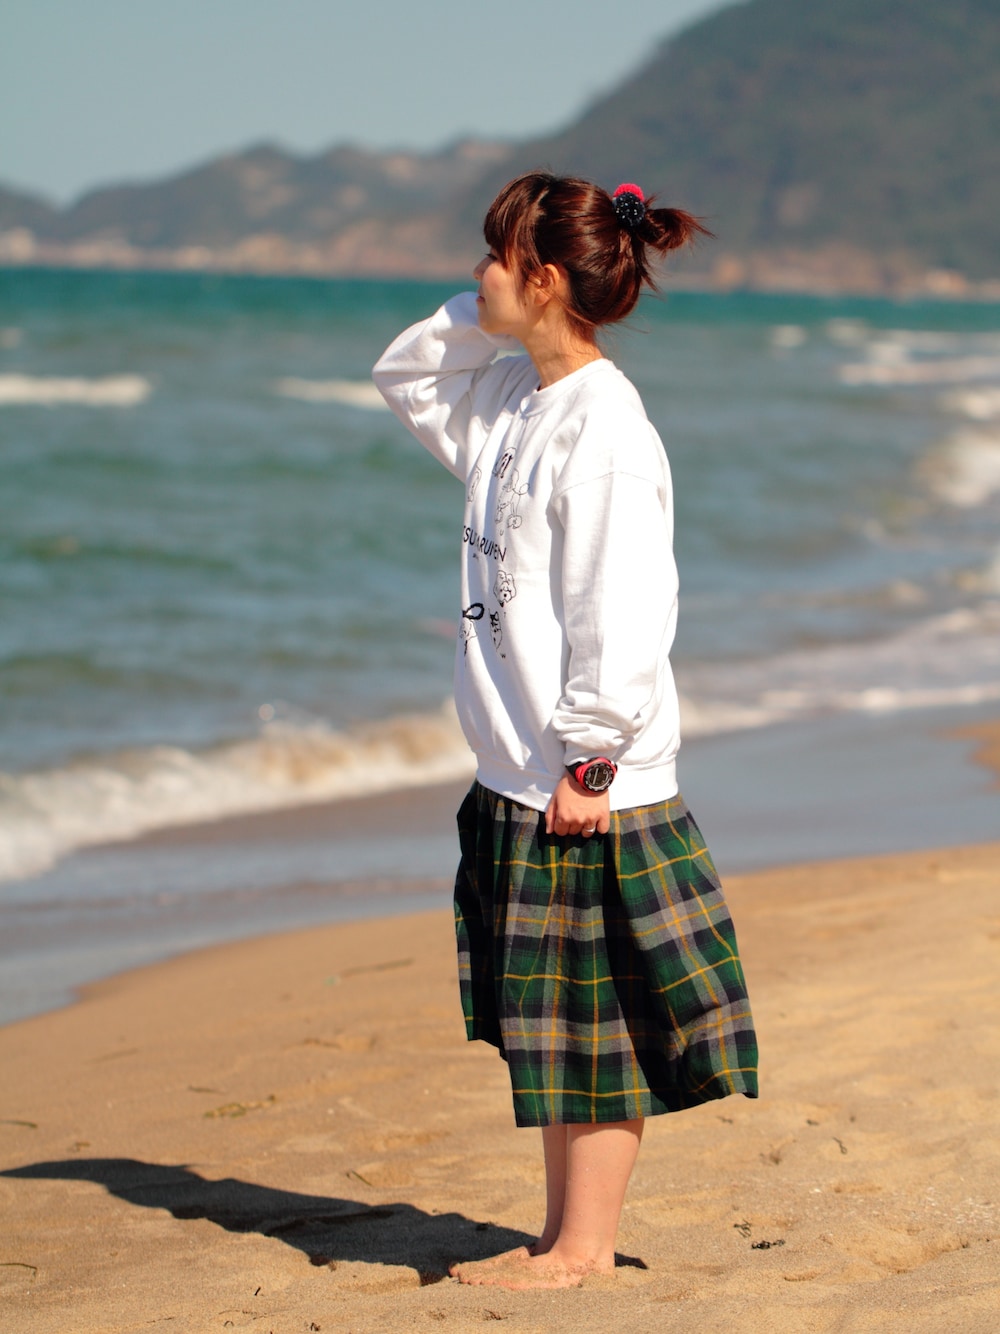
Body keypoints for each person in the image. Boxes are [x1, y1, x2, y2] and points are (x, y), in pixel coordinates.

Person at [373, 171, 758, 1290]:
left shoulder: (605, 432)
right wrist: (492, 306)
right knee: (546, 1024)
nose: (475, 276)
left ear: (542, 279)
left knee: (596, 1031)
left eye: (495, 259)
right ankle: (558, 1236)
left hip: (585, 781)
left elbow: (623, 612)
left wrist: (590, 759)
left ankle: (581, 1248)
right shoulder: (510, 397)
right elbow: (405, 373)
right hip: (519, 766)